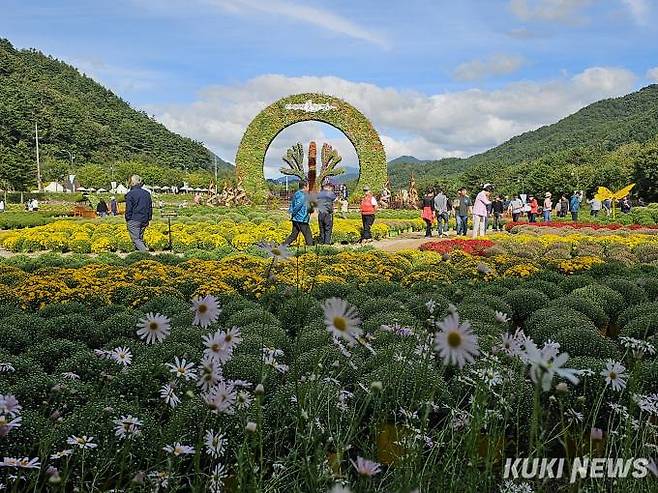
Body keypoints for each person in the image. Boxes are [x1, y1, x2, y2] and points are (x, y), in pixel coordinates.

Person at [125, 175, 153, 252]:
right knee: (139, 238)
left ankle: (146, 255)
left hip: (134, 219)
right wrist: (149, 218)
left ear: (132, 182)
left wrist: (128, 218)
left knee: (136, 239)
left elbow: (128, 209)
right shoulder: (147, 193)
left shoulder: (130, 194)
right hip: (144, 219)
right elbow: (150, 207)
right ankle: (140, 257)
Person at [283, 181, 314, 247]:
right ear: (305, 187)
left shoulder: (296, 194)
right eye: (308, 186)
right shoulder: (303, 195)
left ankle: (282, 246)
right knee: (308, 236)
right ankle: (311, 250)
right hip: (301, 218)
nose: (309, 188)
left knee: (293, 235)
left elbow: (292, 205)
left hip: (296, 218)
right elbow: (298, 206)